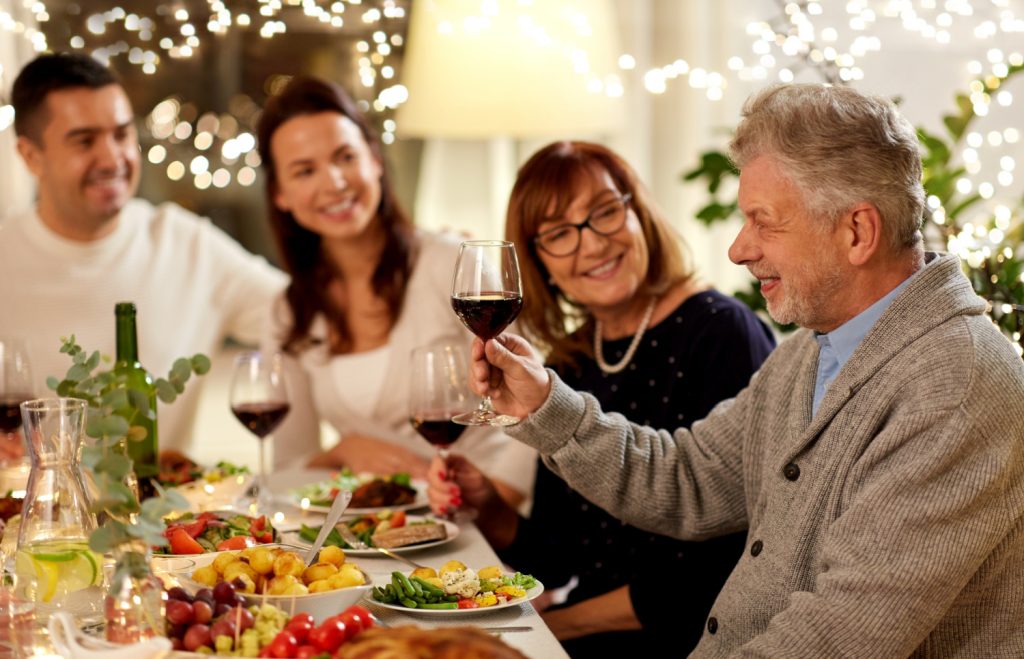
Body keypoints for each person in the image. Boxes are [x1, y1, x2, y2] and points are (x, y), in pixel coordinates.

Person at [464, 83, 1024, 657]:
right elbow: (686, 480)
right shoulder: (810, 352)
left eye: (763, 221)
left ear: (857, 231)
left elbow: (836, 636)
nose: (738, 249)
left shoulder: (955, 385)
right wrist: (544, 405)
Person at [427, 141, 775, 655]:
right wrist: (489, 507)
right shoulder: (570, 362)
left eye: (605, 212)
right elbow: (555, 557)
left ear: (638, 213)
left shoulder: (721, 330)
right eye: (559, 234)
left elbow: (729, 564)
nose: (590, 245)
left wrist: (559, 628)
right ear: (538, 261)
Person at [255, 76, 534, 506]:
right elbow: (291, 466)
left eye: (345, 157)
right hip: (383, 529)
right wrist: (343, 451)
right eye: (305, 170)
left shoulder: (450, 265)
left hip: (485, 517)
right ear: (280, 195)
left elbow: (535, 393)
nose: (333, 182)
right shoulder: (288, 311)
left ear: (374, 159)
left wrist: (496, 505)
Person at [0, 53, 287, 454]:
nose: (113, 158)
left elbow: (305, 317)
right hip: (29, 512)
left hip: (167, 511)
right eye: (85, 141)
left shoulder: (186, 243)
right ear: (31, 156)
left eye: (121, 134)